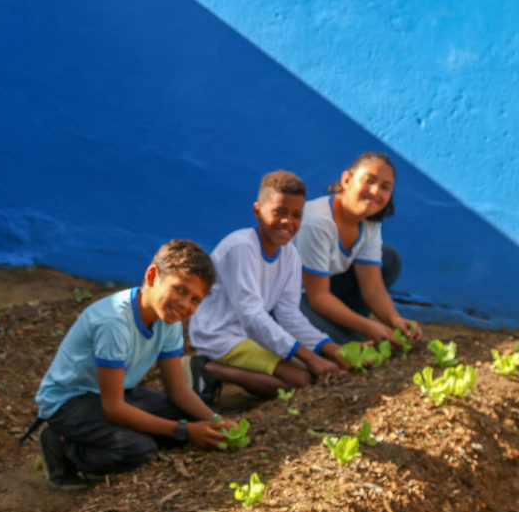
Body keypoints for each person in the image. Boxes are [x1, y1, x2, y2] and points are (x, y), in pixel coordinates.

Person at [32, 240, 233, 491]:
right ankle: (62, 445)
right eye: (180, 289)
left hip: (114, 393)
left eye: (195, 299)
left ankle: (144, 432)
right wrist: (185, 431)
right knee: (139, 450)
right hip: (69, 402)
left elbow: (178, 391)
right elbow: (114, 409)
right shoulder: (114, 322)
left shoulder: (168, 321)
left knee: (195, 415)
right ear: (152, 276)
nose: (185, 305)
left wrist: (215, 420)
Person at [187, 171, 346, 400]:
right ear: (257, 210)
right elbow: (251, 316)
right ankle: (209, 369)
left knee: (307, 370)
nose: (288, 222)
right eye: (279, 212)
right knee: (302, 380)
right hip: (218, 336)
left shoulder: (290, 254)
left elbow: (289, 315)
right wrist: (308, 356)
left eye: (296, 215)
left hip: (250, 336)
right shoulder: (241, 247)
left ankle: (250, 375)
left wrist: (331, 349)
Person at [294, 151, 423, 346]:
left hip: (322, 294)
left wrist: (396, 321)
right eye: (369, 181)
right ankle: (343, 334)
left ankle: (344, 329)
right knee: (352, 345)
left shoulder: (369, 221)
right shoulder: (317, 223)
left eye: (385, 187)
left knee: (388, 259)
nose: (375, 192)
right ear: (346, 180)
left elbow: (372, 287)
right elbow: (318, 297)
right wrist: (367, 327)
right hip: (290, 300)